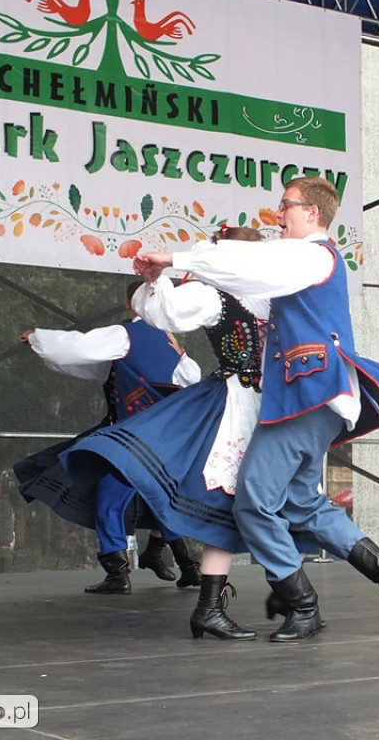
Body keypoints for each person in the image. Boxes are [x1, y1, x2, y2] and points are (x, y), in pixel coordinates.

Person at [134, 176, 379, 642]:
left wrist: (174, 259)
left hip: (305, 397)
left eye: (285, 205)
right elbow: (239, 274)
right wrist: (164, 281)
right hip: (307, 399)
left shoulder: (310, 254)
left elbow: (250, 263)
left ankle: (303, 604)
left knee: (251, 502)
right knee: (302, 503)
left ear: (313, 212)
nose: (278, 214)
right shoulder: (294, 264)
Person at [63, 225, 271, 640]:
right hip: (217, 409)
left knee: (262, 498)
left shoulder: (270, 291)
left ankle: (179, 565)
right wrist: (161, 277)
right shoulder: (209, 298)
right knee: (224, 495)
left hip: (250, 408)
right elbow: (169, 316)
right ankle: (272, 595)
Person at [17, 281, 203, 594]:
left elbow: (79, 346)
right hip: (163, 441)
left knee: (109, 499)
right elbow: (190, 376)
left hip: (133, 439)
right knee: (160, 498)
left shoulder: (125, 335)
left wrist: (39, 338)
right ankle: (185, 564)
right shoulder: (168, 341)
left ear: (130, 305)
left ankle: (118, 574)